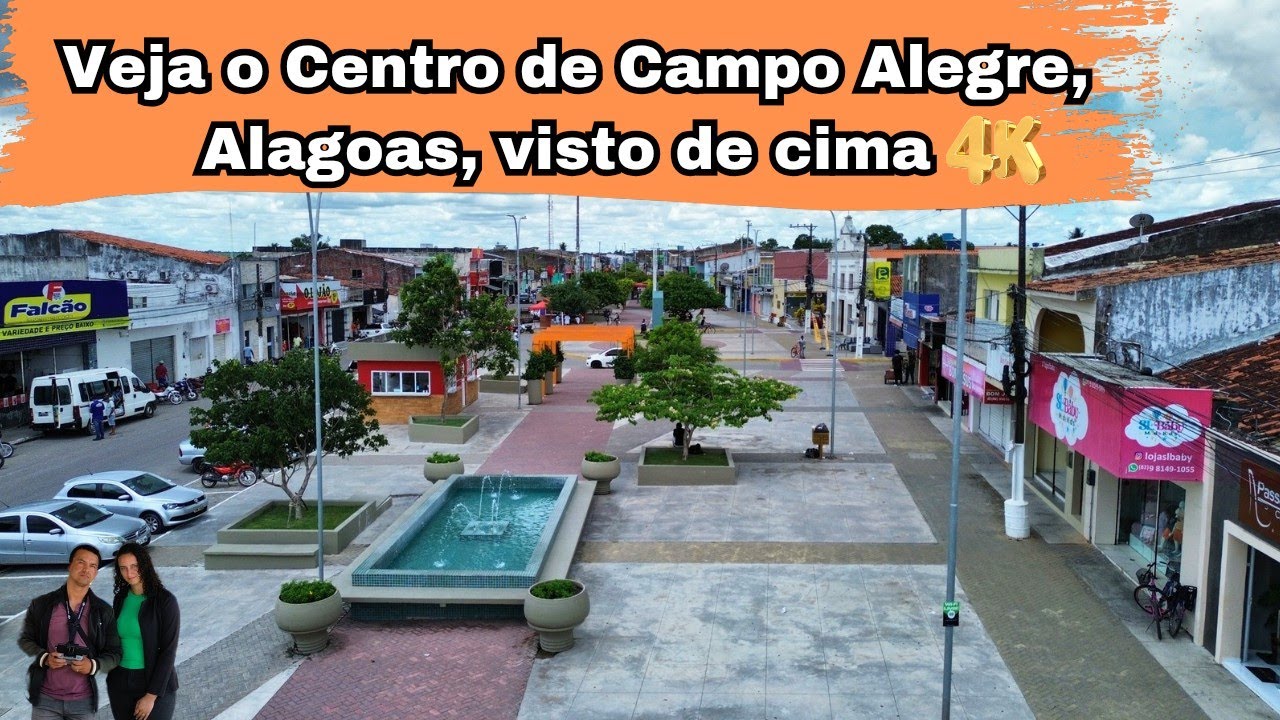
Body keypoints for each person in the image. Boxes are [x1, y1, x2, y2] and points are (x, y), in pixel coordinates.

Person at [18, 544, 123, 720]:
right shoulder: (42, 604)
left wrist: (93, 665)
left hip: (83, 702)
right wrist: (45, 657)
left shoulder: (103, 611)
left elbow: (115, 653)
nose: (86, 569)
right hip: (45, 700)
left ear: (96, 573)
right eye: (81, 562)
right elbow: (26, 639)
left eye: (93, 566)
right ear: (70, 565)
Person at [107, 543, 179, 720]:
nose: (129, 573)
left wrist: (151, 695)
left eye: (134, 566)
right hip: (120, 681)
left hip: (154, 684)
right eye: (123, 568)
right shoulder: (121, 597)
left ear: (145, 565)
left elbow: (168, 651)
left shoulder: (165, 601)